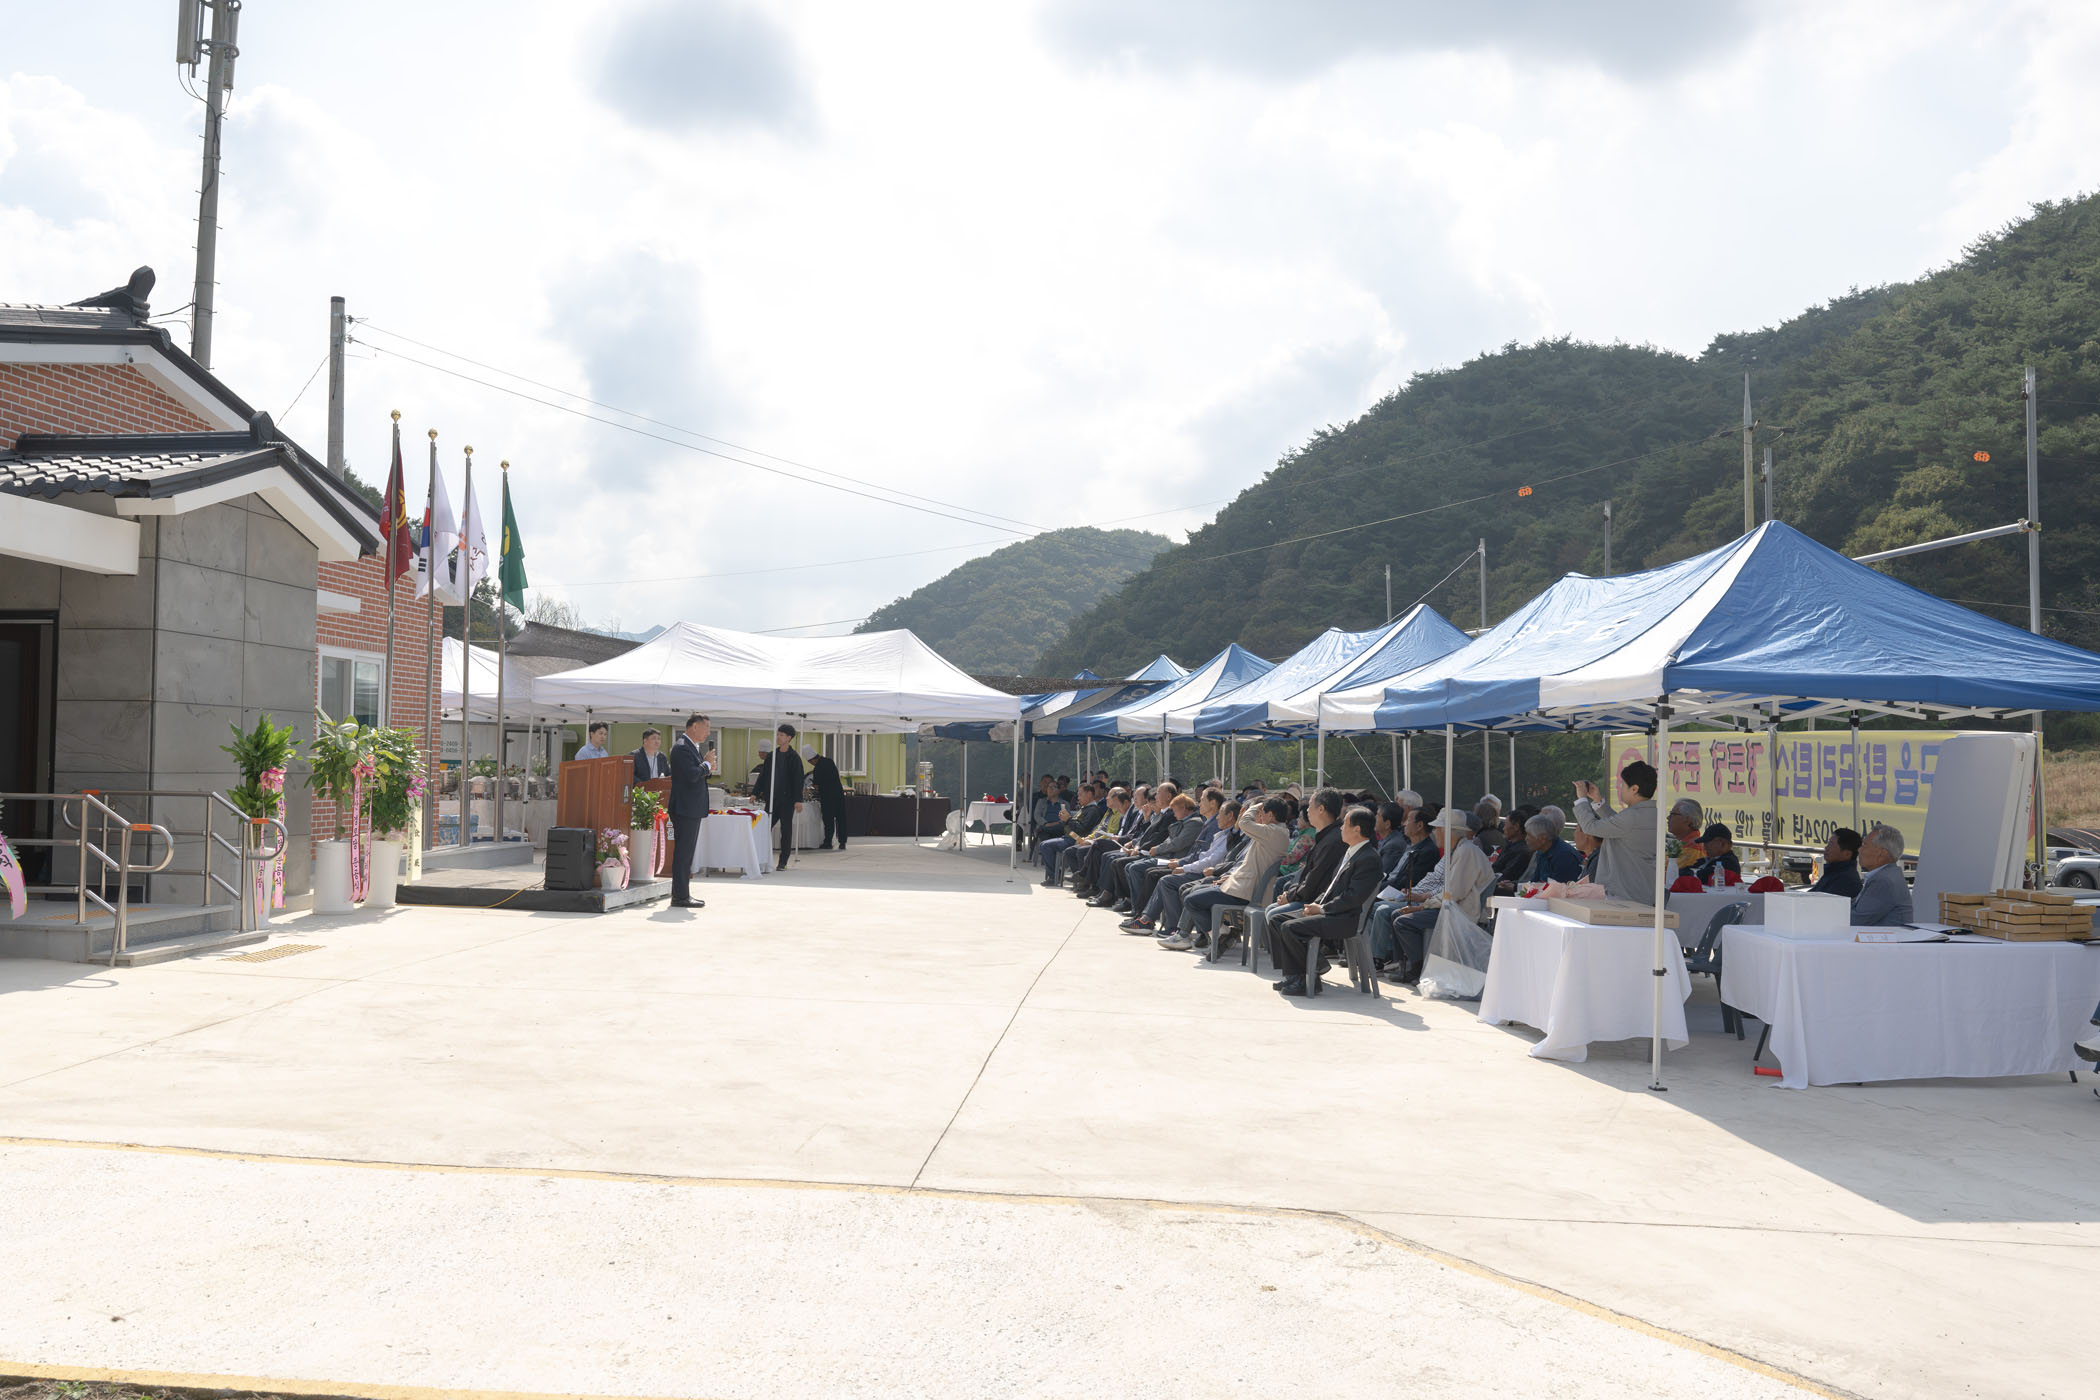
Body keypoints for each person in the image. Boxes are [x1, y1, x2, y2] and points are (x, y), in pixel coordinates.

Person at [1269, 806, 1385, 996]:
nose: (1341, 828)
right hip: (1333, 911)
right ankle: (1295, 975)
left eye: (1345, 824)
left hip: (1346, 918)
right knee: (1277, 920)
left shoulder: (1368, 858)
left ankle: (1309, 979)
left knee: (1290, 927)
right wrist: (1314, 905)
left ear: (1357, 829)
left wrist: (1322, 909)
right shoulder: (1351, 852)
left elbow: (1353, 897)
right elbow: (1331, 888)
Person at [1373, 807, 1494, 982]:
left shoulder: (1466, 852)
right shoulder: (1457, 850)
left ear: (1447, 831)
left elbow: (1453, 894)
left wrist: (1421, 906)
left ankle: (1418, 968)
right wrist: (1419, 900)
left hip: (1459, 913)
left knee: (1403, 921)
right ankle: (1404, 966)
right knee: (1397, 914)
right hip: (1449, 906)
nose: (1435, 833)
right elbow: (1443, 886)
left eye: (1438, 829)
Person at [1572, 760, 1660, 903]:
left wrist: (1582, 800)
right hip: (1641, 891)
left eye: (1623, 785)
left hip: (1623, 894)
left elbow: (1590, 827)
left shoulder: (1632, 816)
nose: (1620, 789)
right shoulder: (1652, 813)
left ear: (1634, 788)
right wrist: (1598, 800)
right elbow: (1618, 825)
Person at [667, 714, 713, 910]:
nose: (708, 732)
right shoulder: (682, 747)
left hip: (690, 807)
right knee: (683, 853)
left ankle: (682, 893)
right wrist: (707, 764)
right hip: (685, 807)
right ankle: (680, 896)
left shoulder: (691, 746)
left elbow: (695, 774)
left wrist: (706, 768)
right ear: (695, 726)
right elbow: (692, 775)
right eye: (706, 728)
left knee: (686, 853)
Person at [752, 724, 806, 871]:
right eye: (778, 734)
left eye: (781, 735)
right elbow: (763, 776)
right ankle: (761, 858)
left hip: (787, 800)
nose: (778, 737)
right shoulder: (772, 756)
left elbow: (798, 780)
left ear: (789, 738)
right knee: (764, 828)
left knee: (785, 830)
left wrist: (798, 800)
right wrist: (755, 792)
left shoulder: (794, 758)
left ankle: (783, 862)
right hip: (772, 799)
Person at [1851, 823, 1913, 925]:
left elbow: (1856, 920)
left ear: (1882, 853)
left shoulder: (1883, 881)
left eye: (1865, 845)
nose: (1859, 849)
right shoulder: (1888, 875)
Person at [1519, 812, 1584, 886]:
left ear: (1543, 838)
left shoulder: (1564, 856)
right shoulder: (1541, 851)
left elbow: (1559, 889)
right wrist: (1515, 887)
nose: (1526, 839)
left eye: (1529, 835)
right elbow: (1535, 883)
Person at [806, 743, 848, 850]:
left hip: (827, 797)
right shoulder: (829, 761)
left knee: (829, 820)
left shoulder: (817, 768)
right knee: (841, 819)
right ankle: (842, 842)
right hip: (839, 794)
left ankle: (828, 842)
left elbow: (816, 786)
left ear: (812, 760)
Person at [1810, 828, 1863, 898]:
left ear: (1847, 854)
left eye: (1831, 844)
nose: (1826, 847)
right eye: (1828, 843)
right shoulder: (1833, 873)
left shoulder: (1846, 882)